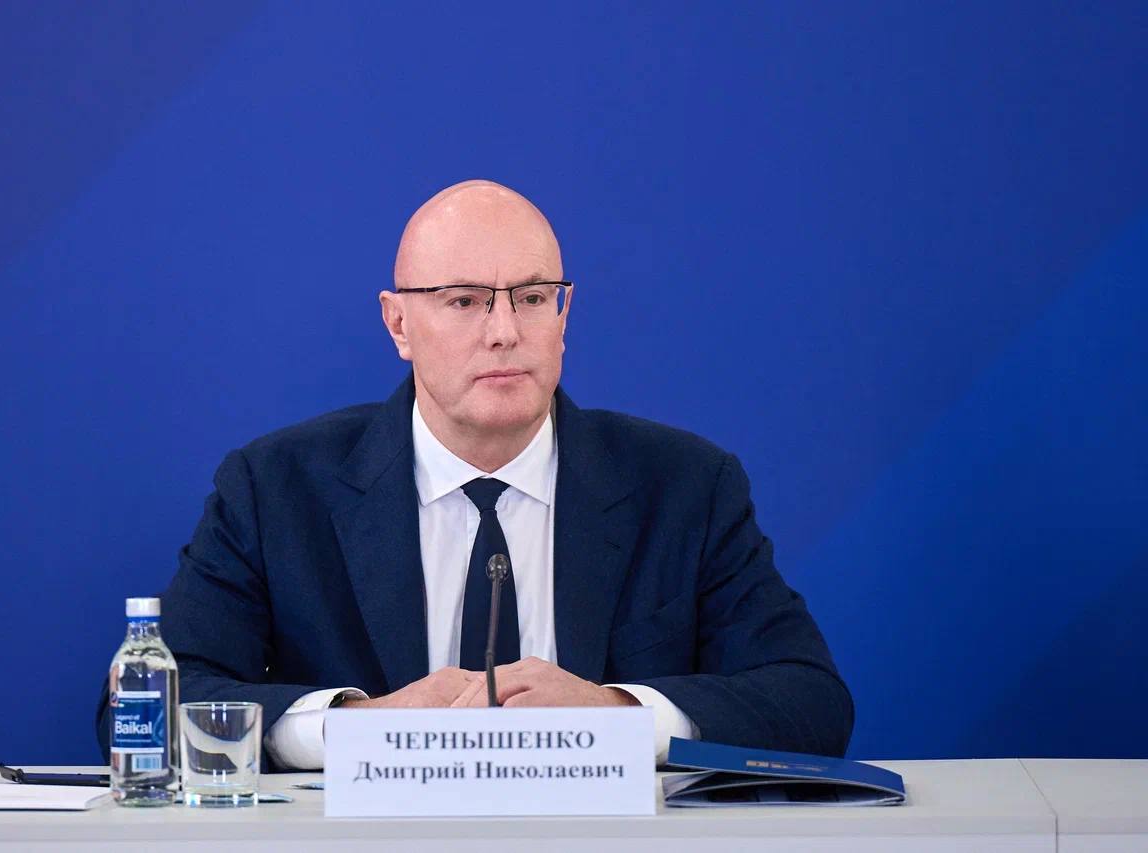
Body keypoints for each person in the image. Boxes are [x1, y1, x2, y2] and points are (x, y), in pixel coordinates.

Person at [95, 180, 853, 769]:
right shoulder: (275, 489)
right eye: (464, 301)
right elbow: (144, 706)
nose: (505, 331)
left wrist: (618, 715)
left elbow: (811, 701)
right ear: (398, 324)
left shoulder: (685, 486)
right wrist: (357, 727)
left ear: (564, 316)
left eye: (533, 298)